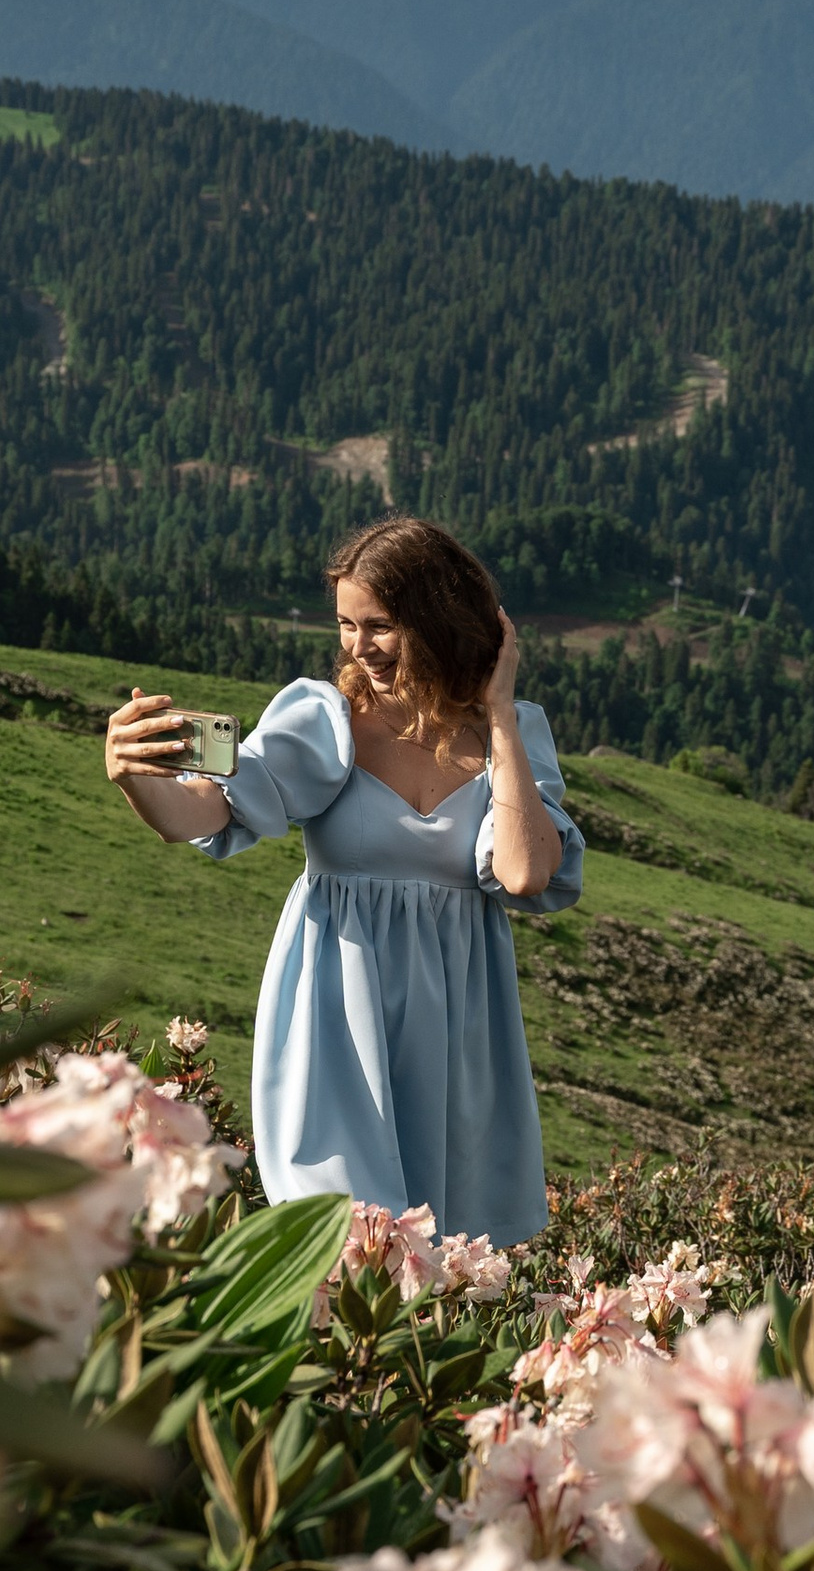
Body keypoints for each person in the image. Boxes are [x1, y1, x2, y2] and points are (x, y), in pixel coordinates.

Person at [103, 515, 582, 1246]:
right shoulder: (326, 719)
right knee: (345, 1238)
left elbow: (523, 872)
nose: (359, 647)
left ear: (439, 619)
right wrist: (132, 774)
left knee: (441, 1260)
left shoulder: (512, 737)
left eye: (380, 625)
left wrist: (501, 717)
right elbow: (199, 812)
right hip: (335, 1020)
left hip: (458, 1037)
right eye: (346, 625)